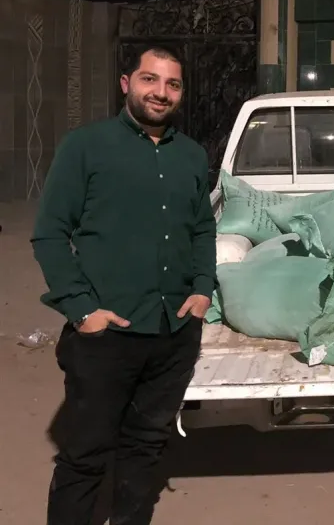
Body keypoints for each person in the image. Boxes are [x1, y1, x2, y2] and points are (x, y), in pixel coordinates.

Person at [32, 44, 217, 525]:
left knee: (145, 447)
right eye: (149, 79)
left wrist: (202, 288)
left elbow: (202, 228)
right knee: (85, 455)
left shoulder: (191, 156)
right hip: (106, 334)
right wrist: (81, 309)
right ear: (126, 84)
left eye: (172, 84)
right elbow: (50, 233)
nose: (161, 92)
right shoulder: (85, 147)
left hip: (173, 333)